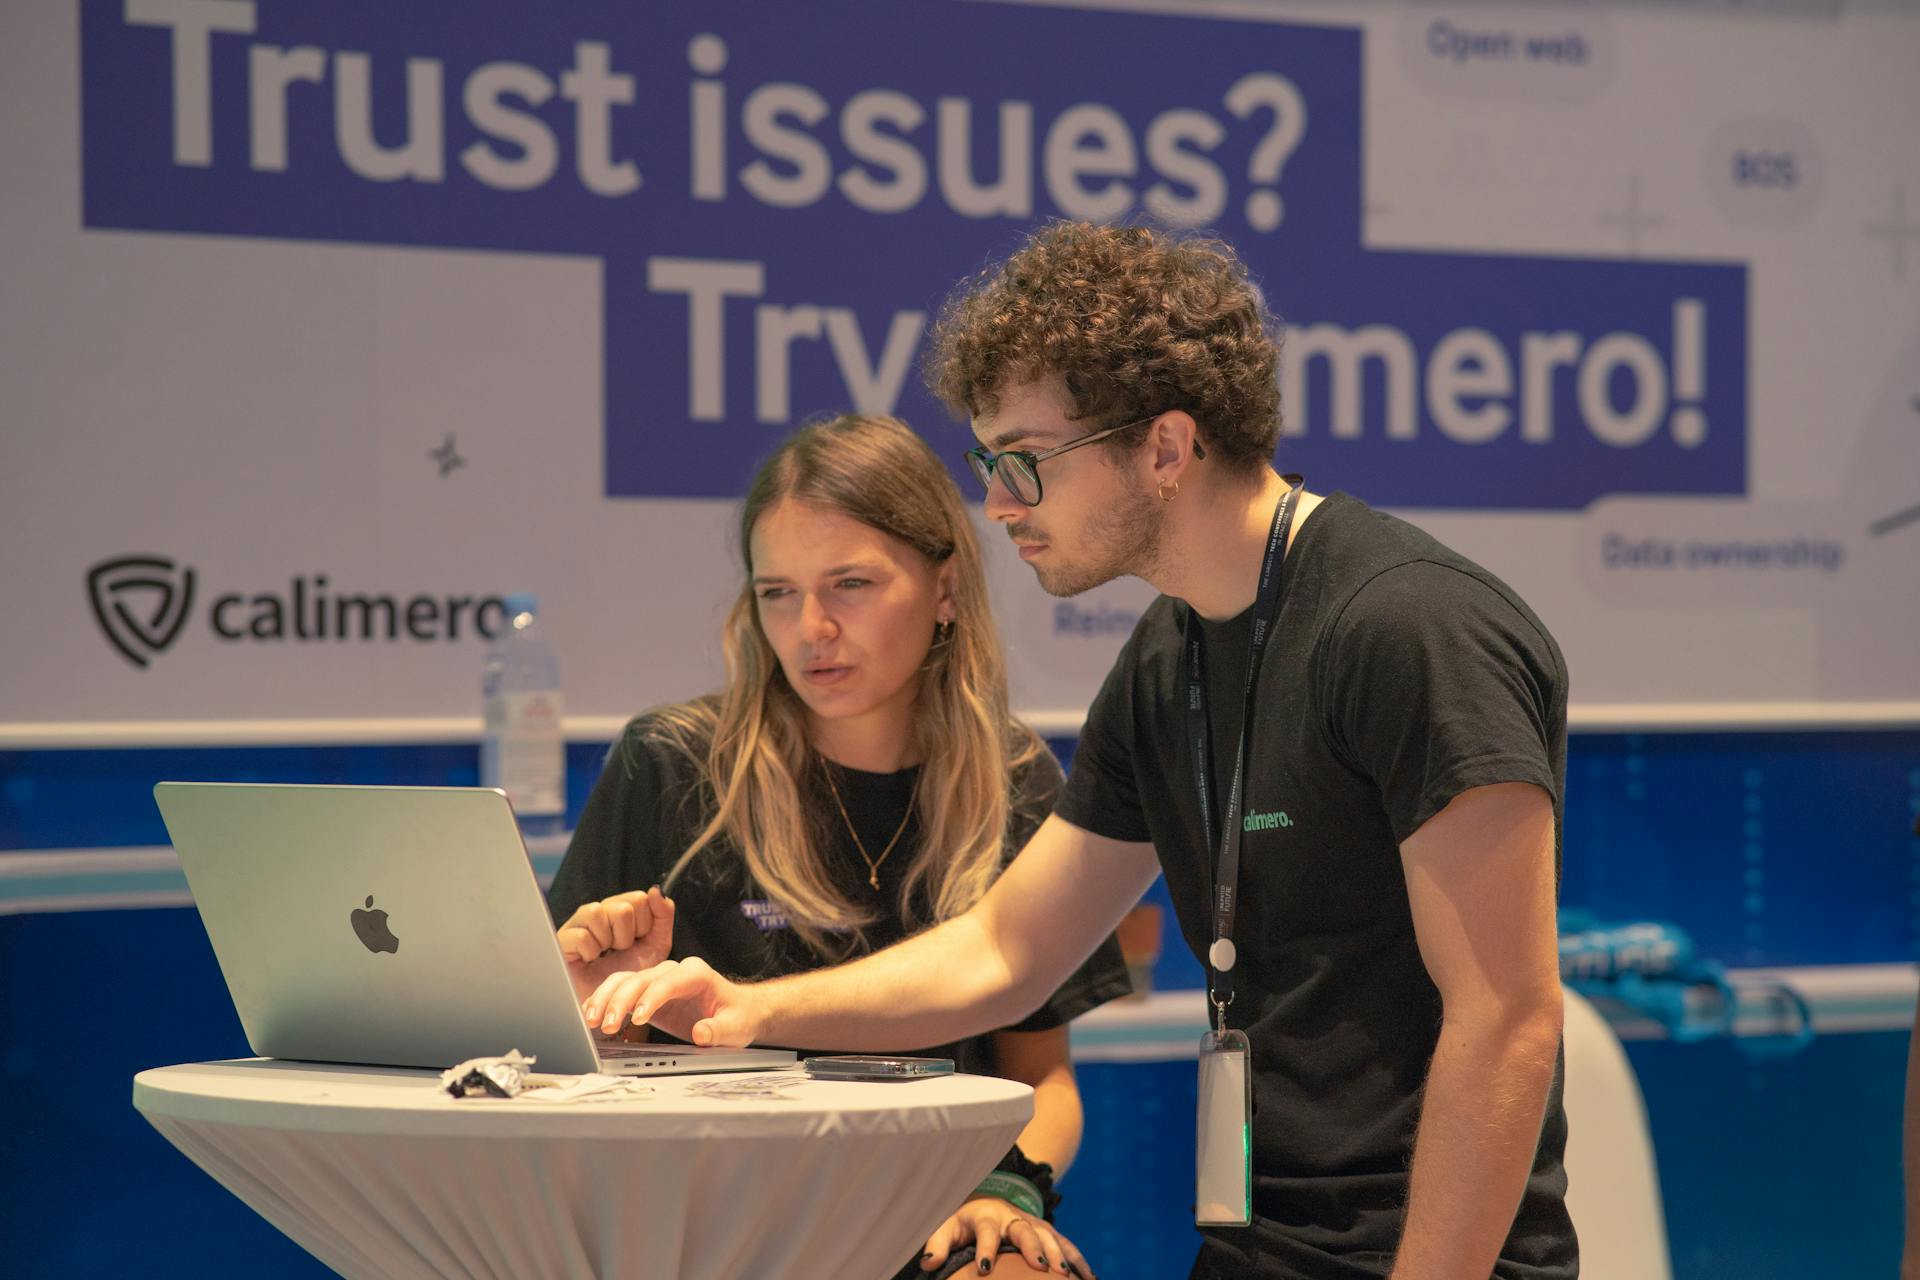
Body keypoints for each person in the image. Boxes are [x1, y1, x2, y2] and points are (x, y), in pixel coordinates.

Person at [582, 223, 1578, 1279]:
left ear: (1163, 447)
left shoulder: (1409, 627)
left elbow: (1507, 1013)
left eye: (1024, 460)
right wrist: (748, 1008)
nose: (999, 500)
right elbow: (1008, 948)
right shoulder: (1171, 656)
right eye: (988, 461)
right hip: (1259, 1243)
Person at [547, 412, 1128, 1280]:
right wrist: (594, 1009)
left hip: (930, 1210)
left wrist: (1006, 1191)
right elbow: (553, 1078)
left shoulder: (1016, 780)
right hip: (715, 1223)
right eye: (778, 592)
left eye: (849, 584)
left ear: (945, 589)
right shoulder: (672, 765)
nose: (810, 627)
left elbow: (1043, 1081)